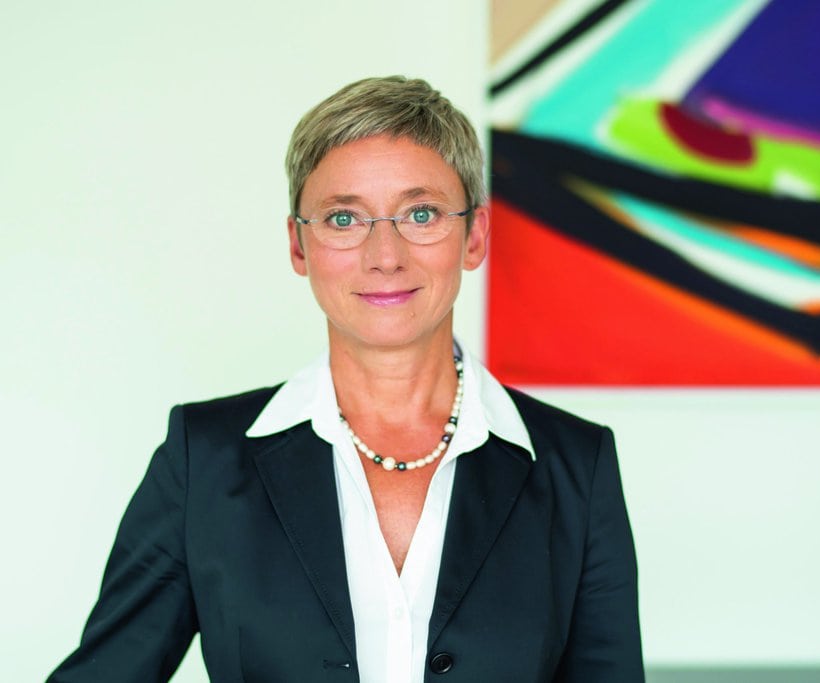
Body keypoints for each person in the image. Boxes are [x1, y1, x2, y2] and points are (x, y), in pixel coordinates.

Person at [48, 75, 643, 683]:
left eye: (420, 213)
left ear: (475, 236)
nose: (385, 256)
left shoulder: (577, 466)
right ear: (298, 246)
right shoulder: (203, 460)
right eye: (343, 218)